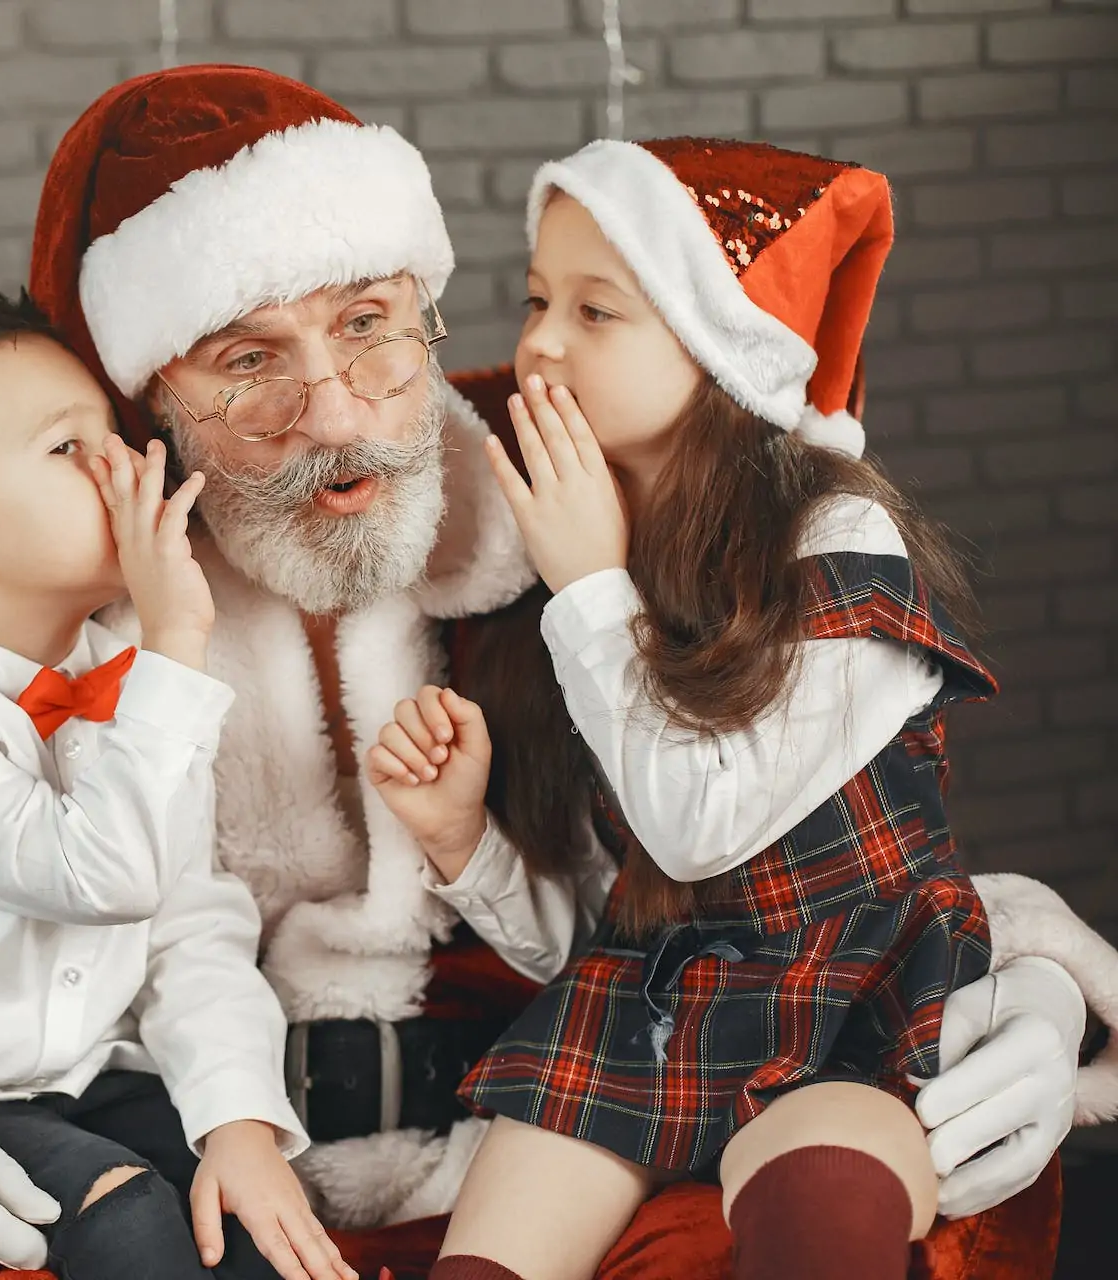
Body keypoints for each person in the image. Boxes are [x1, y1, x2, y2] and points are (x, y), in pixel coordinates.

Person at [0, 69, 1104, 1280]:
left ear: (426, 312)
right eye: (242, 361)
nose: (333, 411)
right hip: (208, 1171)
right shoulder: (57, 603)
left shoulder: (564, 488)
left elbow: (829, 800)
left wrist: (1020, 976)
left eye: (366, 329)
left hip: (573, 1129)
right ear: (140, 407)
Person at [363, 138, 1000, 1280]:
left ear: (718, 352)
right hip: (647, 1011)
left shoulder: (835, 537)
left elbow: (702, 825)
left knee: (825, 1205)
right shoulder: (567, 561)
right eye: (537, 298)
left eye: (598, 311)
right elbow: (605, 928)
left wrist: (594, 593)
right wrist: (465, 836)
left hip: (844, 998)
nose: (542, 342)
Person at [0, 293, 345, 1280]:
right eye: (67, 449)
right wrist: (179, 639)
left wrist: (239, 1123)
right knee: (127, 1215)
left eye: (115, 433)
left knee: (253, 1219)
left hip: (103, 1071)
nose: (127, 465)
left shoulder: (131, 679)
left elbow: (189, 919)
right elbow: (107, 875)